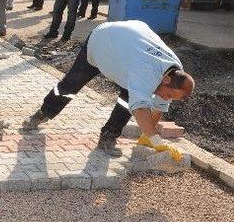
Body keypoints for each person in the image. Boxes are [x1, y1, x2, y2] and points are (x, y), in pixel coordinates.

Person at [23, 20, 195, 157]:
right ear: (165, 80)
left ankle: (108, 136)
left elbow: (159, 106)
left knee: (128, 99)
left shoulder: (174, 70)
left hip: (126, 49)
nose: (167, 98)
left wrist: (146, 137)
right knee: (70, 85)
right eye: (169, 95)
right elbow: (141, 107)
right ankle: (43, 113)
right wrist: (155, 139)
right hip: (102, 42)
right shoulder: (146, 71)